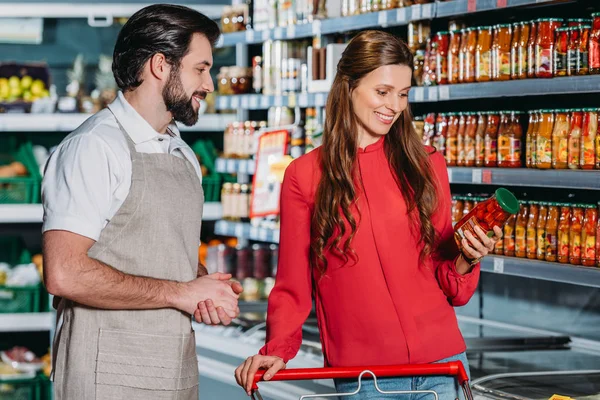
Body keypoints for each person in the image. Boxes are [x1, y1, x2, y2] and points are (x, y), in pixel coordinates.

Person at [235, 30, 502, 399]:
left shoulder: (427, 164)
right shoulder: (305, 176)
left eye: (403, 94)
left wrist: (467, 257)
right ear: (349, 86)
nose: (394, 105)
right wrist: (276, 350)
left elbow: (448, 281)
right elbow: (293, 286)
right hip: (365, 380)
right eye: (382, 91)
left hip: (443, 367)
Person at [42, 5, 242, 399]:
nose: (210, 84)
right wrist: (181, 292)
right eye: (200, 69)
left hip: (172, 372)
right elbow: (64, 273)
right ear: (159, 65)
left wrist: (198, 282)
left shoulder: (180, 153)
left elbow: (147, 247)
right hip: (106, 379)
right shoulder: (95, 147)